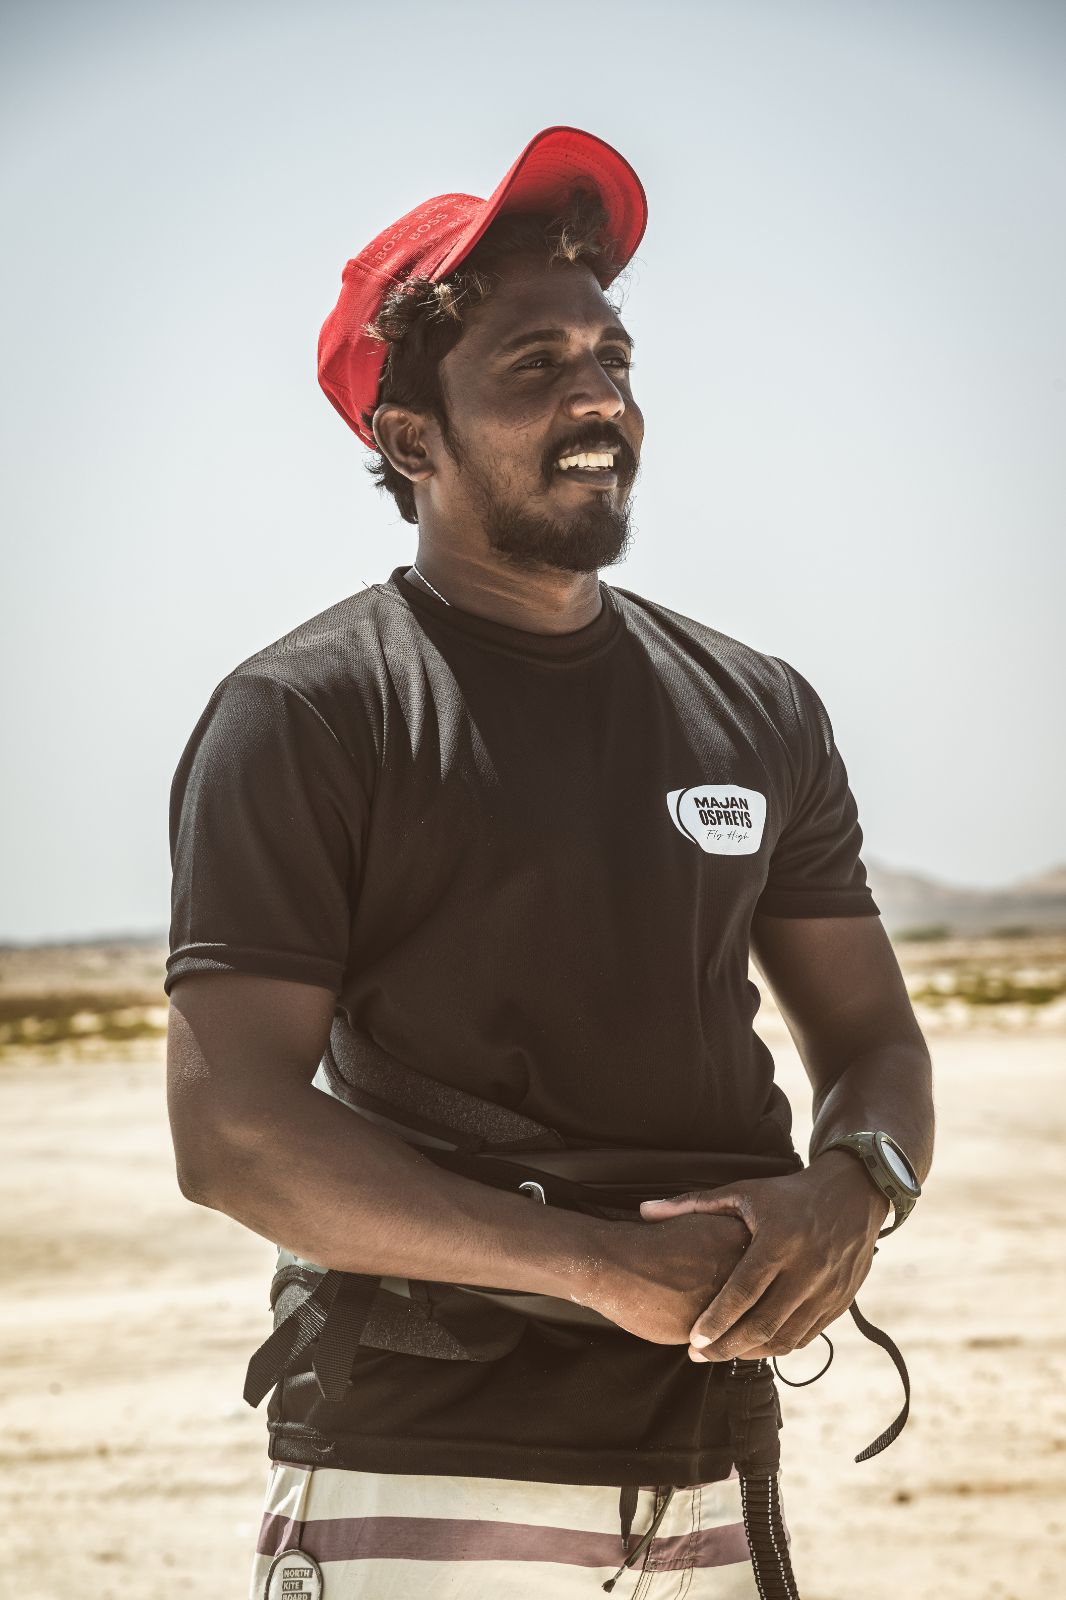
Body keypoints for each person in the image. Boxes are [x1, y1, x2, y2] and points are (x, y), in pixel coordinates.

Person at [164, 126, 934, 1599]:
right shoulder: (313, 710)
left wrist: (856, 1183)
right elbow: (236, 1135)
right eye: (533, 366)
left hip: (713, 1446)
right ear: (407, 440)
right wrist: (594, 1265)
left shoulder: (756, 704)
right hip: (431, 1459)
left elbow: (870, 1038)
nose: (596, 397)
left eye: (612, 357)